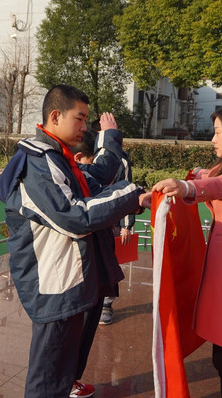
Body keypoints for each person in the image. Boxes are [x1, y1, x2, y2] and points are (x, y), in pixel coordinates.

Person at [0, 84, 145, 398]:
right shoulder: (38, 164)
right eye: (80, 119)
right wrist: (132, 194)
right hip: (55, 286)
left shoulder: (60, 159)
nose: (84, 127)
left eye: (87, 120)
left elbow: (97, 177)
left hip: (70, 280)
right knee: (47, 381)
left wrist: (110, 136)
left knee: (61, 372)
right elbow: (75, 217)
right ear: (54, 116)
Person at [143, 103, 222, 397]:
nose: (213, 139)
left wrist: (187, 188)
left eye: (217, 132)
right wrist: (153, 195)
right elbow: (205, 176)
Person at [76, 112, 136, 325]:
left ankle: (106, 305)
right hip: (91, 218)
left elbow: (127, 189)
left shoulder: (121, 160)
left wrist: (126, 225)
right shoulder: (83, 159)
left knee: (109, 260)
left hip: (110, 220)